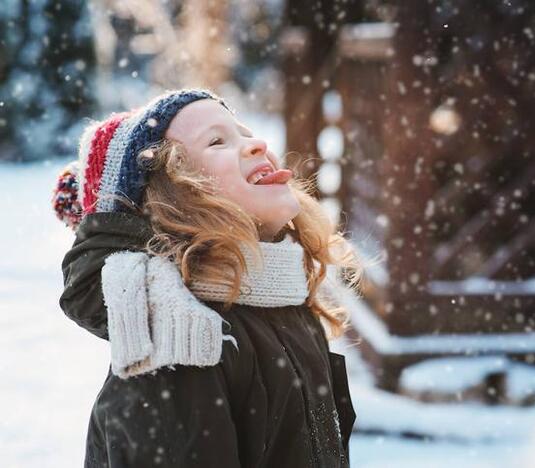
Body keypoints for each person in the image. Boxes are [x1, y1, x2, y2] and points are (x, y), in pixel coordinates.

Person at [52, 89, 363, 467]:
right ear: (171, 203)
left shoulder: (280, 301)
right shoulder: (182, 338)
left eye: (245, 133)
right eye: (217, 141)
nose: (257, 145)